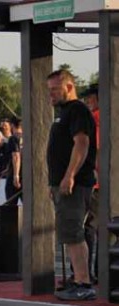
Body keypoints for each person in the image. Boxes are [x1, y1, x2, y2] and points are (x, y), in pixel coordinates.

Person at [46, 69, 97, 300]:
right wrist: (53, 182)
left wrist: (70, 176)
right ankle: (77, 278)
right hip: (61, 183)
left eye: (55, 89)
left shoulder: (77, 110)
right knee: (68, 232)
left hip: (74, 184)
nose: (51, 95)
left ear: (69, 87)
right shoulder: (63, 112)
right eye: (49, 90)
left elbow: (82, 143)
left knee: (74, 233)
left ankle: (84, 283)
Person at [81, 83, 100, 283]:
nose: (88, 102)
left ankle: (85, 272)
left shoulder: (94, 119)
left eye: (90, 98)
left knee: (88, 227)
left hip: (95, 183)